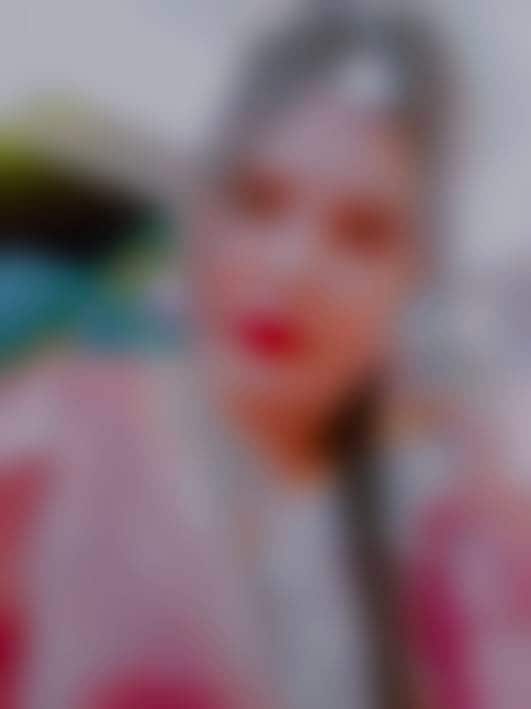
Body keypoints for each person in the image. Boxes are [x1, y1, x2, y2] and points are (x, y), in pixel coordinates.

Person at [1, 5, 527, 709]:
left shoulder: (461, 536)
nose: (291, 266)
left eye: (361, 233)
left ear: (417, 274)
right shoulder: (50, 440)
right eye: (258, 202)